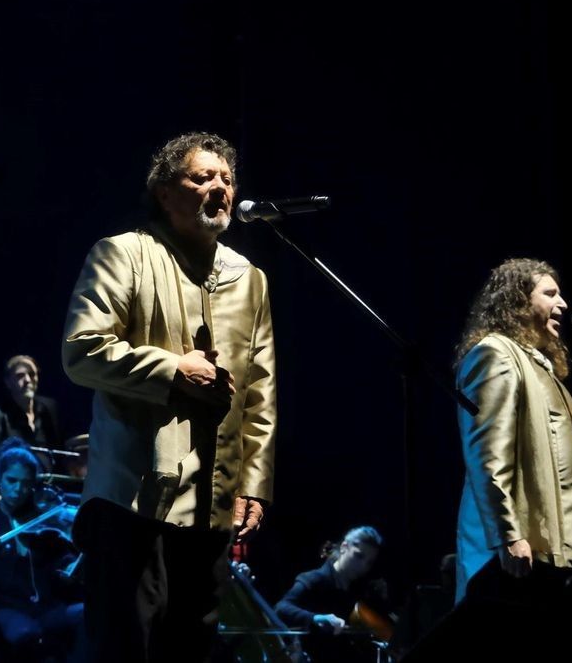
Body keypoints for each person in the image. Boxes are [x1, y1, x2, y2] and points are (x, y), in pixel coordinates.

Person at [62, 131, 276, 662]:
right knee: (125, 646)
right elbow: (81, 350)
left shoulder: (250, 279)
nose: (220, 188)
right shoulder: (124, 253)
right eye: (202, 177)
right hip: (131, 499)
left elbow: (260, 390)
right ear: (164, 191)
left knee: (191, 650)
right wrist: (171, 369)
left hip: (211, 507)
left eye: (227, 179)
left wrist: (253, 482)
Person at [452, 258, 572, 628]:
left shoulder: (541, 367)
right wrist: (507, 534)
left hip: (551, 552)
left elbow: (556, 459)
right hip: (514, 550)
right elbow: (486, 451)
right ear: (520, 302)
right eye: (550, 294)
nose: (563, 304)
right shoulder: (494, 354)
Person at [0, 439, 82, 661]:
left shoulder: (44, 520)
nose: (18, 490)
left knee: (87, 615)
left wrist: (70, 567)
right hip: (3, 607)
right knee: (24, 634)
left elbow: (61, 560)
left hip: (45, 608)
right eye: (12, 481)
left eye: (26, 483)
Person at [275, 526, 390, 663]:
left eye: (369, 563)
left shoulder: (360, 591)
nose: (363, 566)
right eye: (359, 556)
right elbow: (281, 607)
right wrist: (316, 618)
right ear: (344, 547)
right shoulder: (315, 579)